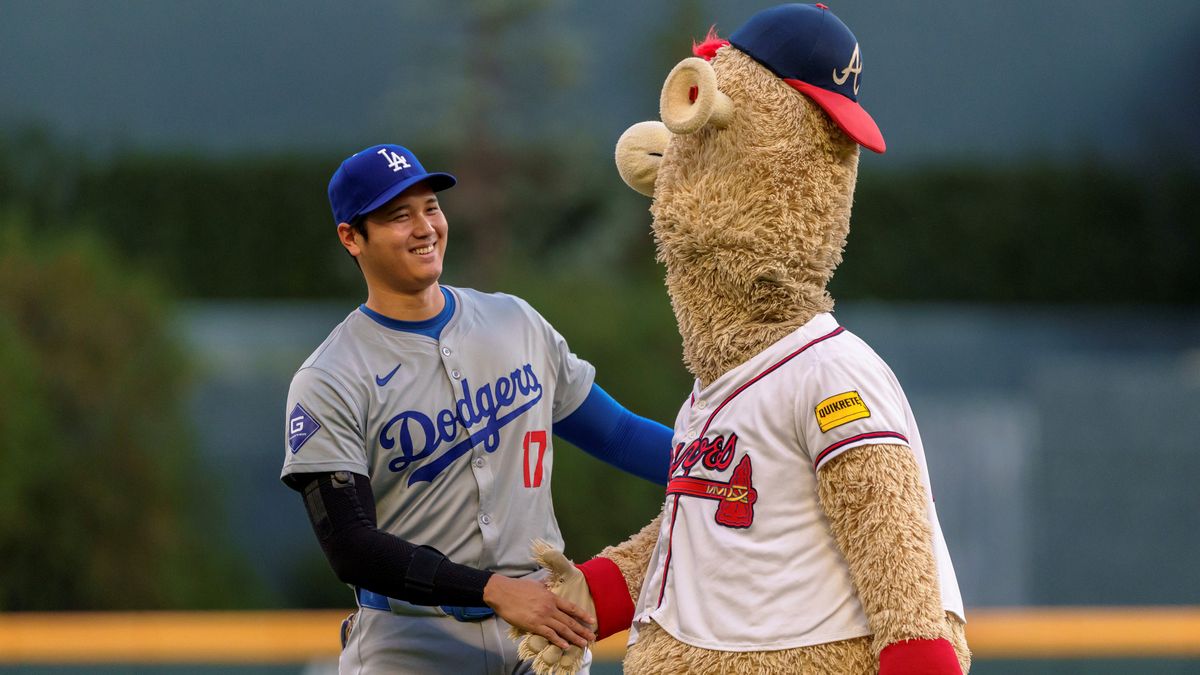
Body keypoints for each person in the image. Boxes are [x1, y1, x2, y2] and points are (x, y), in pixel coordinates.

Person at [281, 143, 672, 674]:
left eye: (431, 208)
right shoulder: (329, 377)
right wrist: (489, 589)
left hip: (544, 629)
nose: (424, 227)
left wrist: (723, 466)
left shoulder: (516, 321)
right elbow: (351, 547)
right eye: (399, 216)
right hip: (411, 640)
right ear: (352, 237)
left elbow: (618, 434)